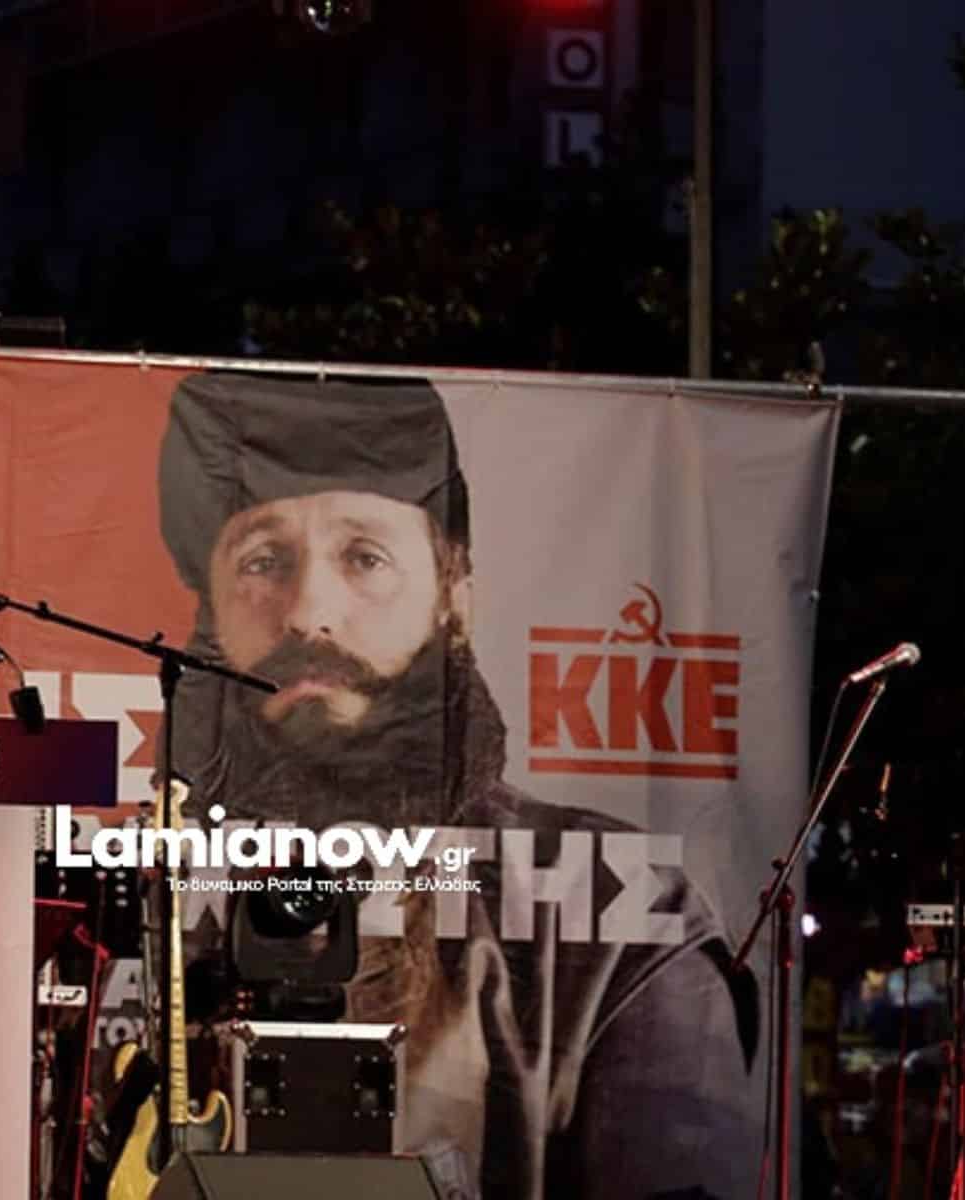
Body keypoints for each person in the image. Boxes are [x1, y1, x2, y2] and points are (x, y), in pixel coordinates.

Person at [156, 375, 759, 1200]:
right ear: (211, 612)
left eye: (364, 557)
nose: (307, 613)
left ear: (456, 598)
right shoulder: (144, 894)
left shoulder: (622, 912)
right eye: (263, 561)